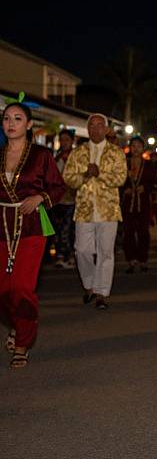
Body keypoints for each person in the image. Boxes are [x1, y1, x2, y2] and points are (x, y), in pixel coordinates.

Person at [0, 102, 65, 368]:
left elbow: (58, 187)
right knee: (3, 289)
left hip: (31, 227)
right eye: (6, 118)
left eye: (17, 118)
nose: (10, 123)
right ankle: (16, 324)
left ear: (28, 125)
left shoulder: (41, 155)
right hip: (1, 224)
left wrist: (40, 196)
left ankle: (23, 342)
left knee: (22, 287)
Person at [63, 113, 127, 310]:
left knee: (105, 252)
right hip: (84, 209)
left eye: (100, 125)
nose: (95, 129)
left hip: (108, 210)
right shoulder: (78, 152)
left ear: (106, 130)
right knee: (81, 249)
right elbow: (68, 178)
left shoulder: (116, 152)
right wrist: (84, 175)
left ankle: (101, 293)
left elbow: (121, 178)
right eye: (92, 125)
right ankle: (90, 284)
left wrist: (101, 174)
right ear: (88, 128)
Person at [121, 136, 156, 273]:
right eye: (133, 146)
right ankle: (131, 260)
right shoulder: (124, 164)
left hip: (143, 202)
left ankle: (143, 260)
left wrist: (145, 188)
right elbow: (119, 182)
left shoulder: (148, 165)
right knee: (128, 231)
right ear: (130, 148)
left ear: (143, 148)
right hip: (128, 203)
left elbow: (154, 182)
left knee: (143, 232)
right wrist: (126, 189)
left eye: (138, 146)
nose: (136, 149)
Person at [52, 129, 76, 268]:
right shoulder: (57, 157)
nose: (64, 142)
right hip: (59, 199)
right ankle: (61, 255)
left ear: (72, 141)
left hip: (72, 199)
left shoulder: (76, 157)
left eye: (67, 140)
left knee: (69, 229)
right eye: (62, 140)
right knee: (59, 228)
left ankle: (70, 255)